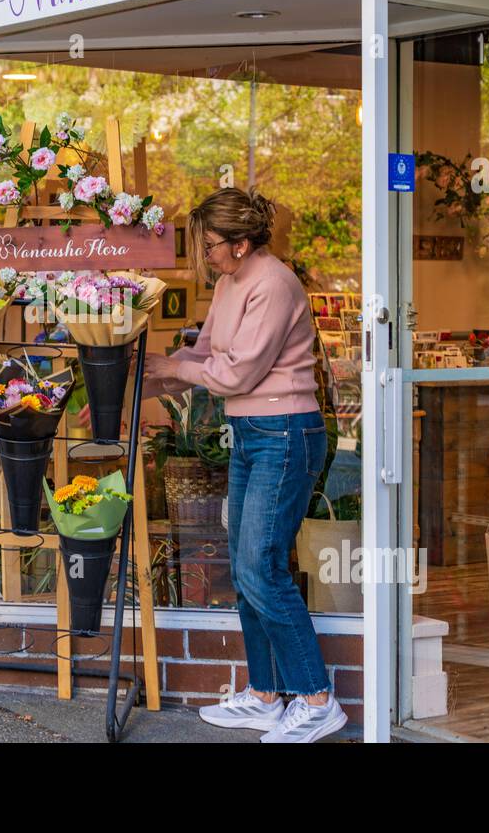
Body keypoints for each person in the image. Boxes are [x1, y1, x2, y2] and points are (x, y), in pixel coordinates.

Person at [143, 187, 346, 743]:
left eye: (210, 246)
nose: (204, 256)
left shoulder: (274, 283)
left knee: (261, 566)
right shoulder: (232, 283)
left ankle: (317, 698)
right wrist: (145, 374)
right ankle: (264, 695)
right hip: (252, 431)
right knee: (245, 564)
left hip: (286, 432)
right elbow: (203, 354)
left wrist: (173, 370)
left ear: (241, 243)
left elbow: (236, 374)